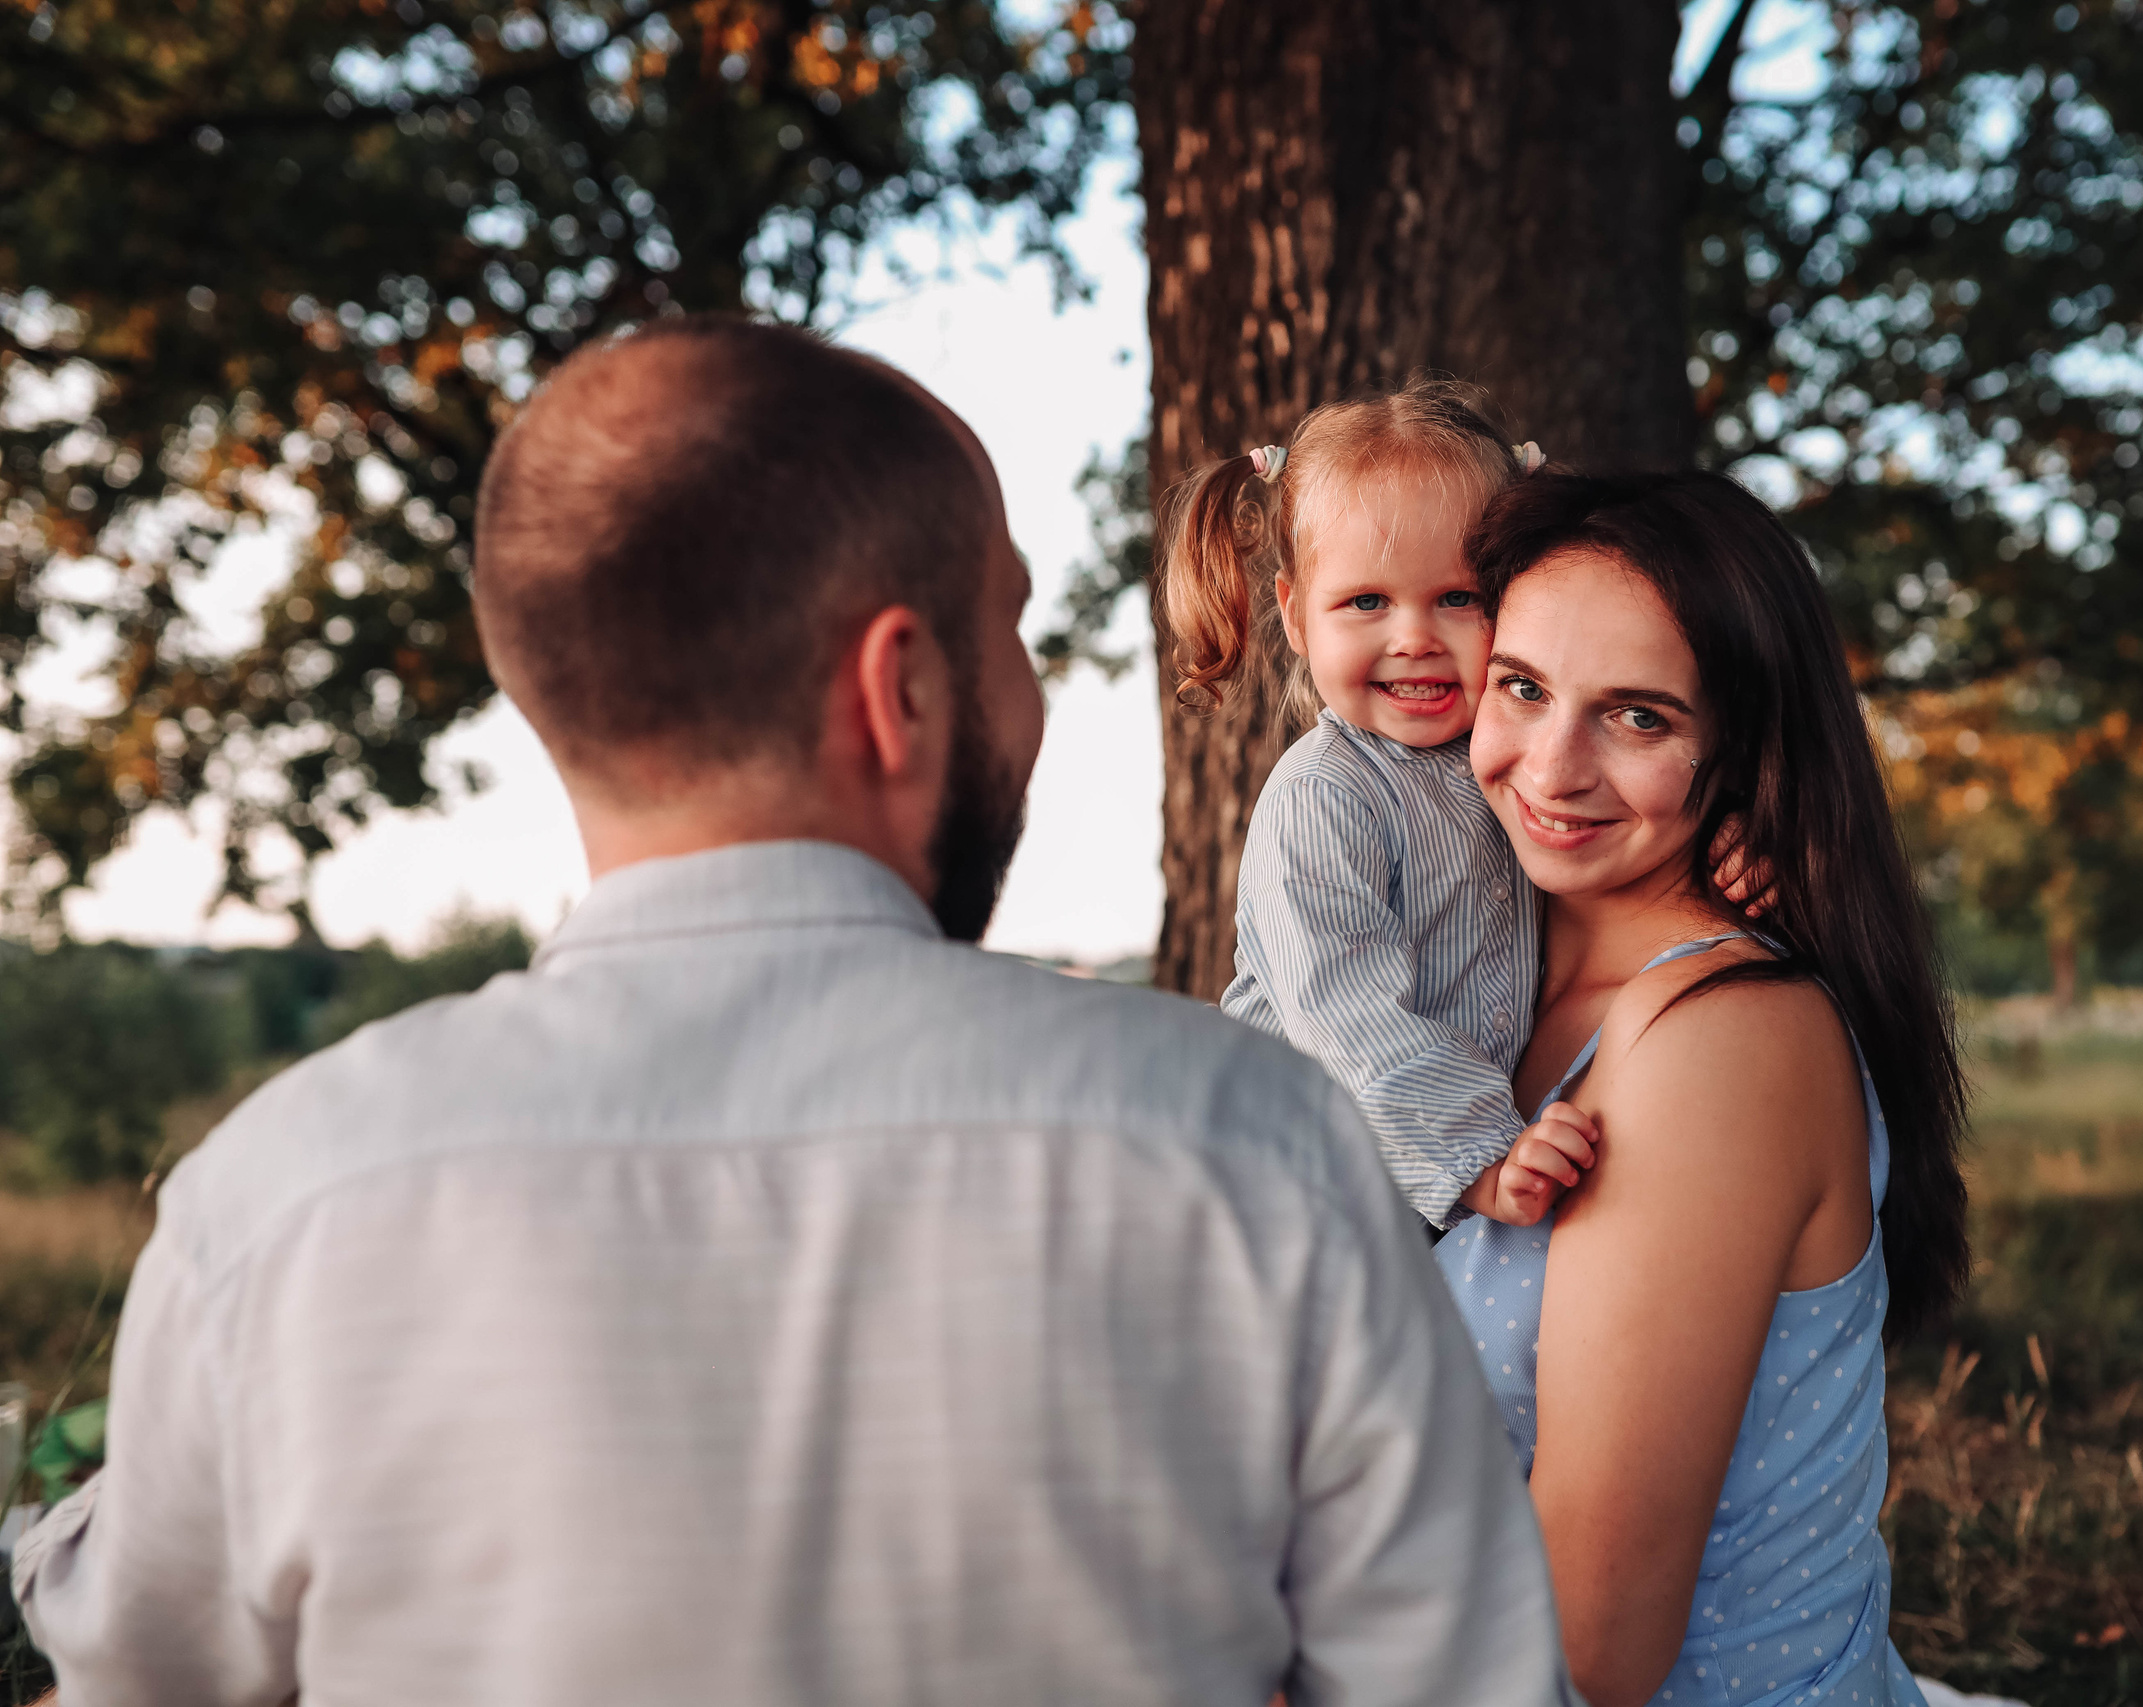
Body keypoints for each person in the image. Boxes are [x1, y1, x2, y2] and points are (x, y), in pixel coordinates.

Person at [6, 318, 1575, 1707]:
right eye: (1013, 630)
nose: (1033, 698)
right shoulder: (1258, 1145)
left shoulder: (278, 1201)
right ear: (902, 688)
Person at [1435, 470, 1973, 1706]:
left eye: (1637, 717)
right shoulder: (1474, 994)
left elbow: (1586, 1647)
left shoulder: (1716, 1040)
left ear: (1742, 748)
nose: (1551, 768)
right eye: (1521, 687)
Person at [1160, 379, 1595, 1233]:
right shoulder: (1323, 798)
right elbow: (1346, 1012)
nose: (1414, 637)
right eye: (1367, 601)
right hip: (1300, 1194)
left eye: (1459, 597)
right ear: (1295, 616)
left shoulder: (1512, 763)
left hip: (1423, 1203)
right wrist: (1483, 1155)